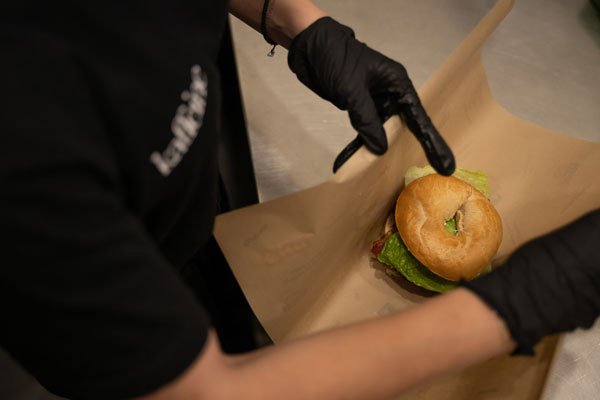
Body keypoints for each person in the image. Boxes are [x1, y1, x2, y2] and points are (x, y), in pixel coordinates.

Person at [1, 1, 598, 399]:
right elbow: (203, 392)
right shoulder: (23, 151)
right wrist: (512, 307)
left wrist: (295, 21)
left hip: (184, 208)